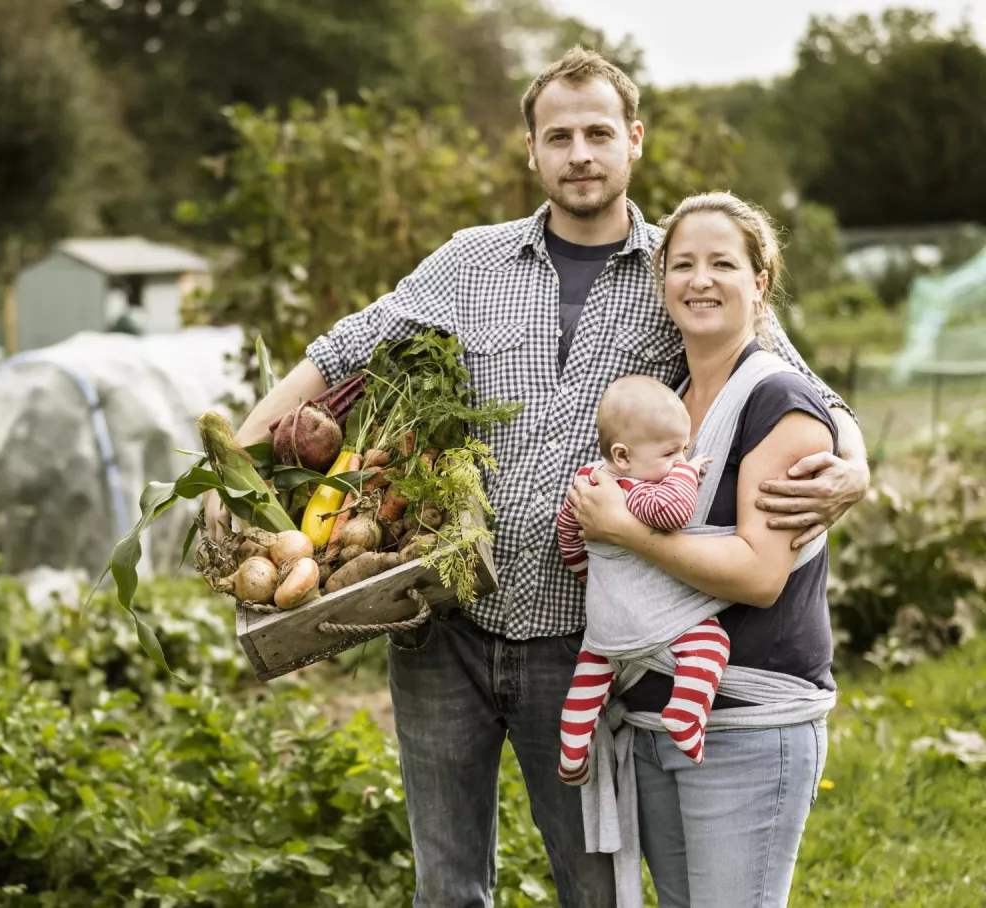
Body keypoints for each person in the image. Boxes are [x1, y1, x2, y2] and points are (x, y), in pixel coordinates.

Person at [204, 47, 870, 907]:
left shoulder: (685, 269)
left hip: (584, 637)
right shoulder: (469, 262)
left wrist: (853, 466)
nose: (581, 153)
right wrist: (240, 470)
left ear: (634, 140)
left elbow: (797, 382)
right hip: (445, 621)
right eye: (559, 136)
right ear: (532, 151)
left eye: (599, 132)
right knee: (447, 888)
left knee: (594, 885)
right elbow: (342, 350)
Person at [567, 192, 845, 908]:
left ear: (761, 281)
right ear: (662, 283)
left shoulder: (778, 402)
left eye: (723, 263)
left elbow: (758, 574)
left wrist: (622, 529)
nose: (700, 279)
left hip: (749, 726)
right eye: (683, 263)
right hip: (660, 722)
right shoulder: (667, 405)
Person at [553, 375, 725, 787]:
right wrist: (686, 473)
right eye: (671, 452)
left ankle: (572, 753)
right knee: (712, 643)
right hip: (652, 621)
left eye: (684, 448)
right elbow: (673, 513)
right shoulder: (635, 490)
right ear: (623, 456)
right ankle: (685, 715)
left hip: (602, 625)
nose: (681, 457)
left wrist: (586, 575)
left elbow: (566, 535)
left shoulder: (587, 482)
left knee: (590, 679)